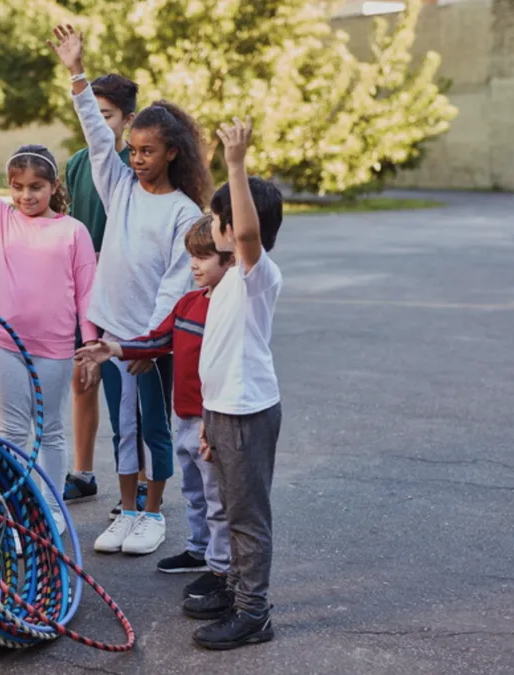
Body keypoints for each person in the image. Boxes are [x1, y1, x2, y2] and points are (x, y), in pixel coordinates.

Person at [50, 24, 212, 556]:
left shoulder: (184, 212)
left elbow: (174, 283)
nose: (136, 158)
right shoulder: (118, 186)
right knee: (121, 428)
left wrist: (148, 342)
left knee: (152, 428)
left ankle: (153, 512)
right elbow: (99, 137)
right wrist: (76, 73)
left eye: (147, 151)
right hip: (112, 334)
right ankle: (125, 508)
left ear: (171, 154)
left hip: (150, 341)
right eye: (134, 150)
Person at [0, 75, 98, 536]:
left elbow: (87, 291)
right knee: (11, 435)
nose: (26, 195)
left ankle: (52, 511)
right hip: (5, 344)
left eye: (36, 187)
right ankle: (16, 512)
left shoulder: (72, 231)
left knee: (49, 430)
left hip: (53, 347)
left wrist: (90, 345)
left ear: (54, 186)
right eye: (17, 186)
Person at [76, 216, 233, 585]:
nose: (194, 265)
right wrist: (113, 348)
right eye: (192, 256)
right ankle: (199, 550)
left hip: (212, 421)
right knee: (195, 492)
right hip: (187, 420)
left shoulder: (231, 310)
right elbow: (156, 342)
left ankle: (222, 568)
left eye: (205, 257)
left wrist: (214, 421)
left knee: (217, 499)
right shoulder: (188, 304)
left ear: (230, 260)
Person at [191, 118, 285, 650]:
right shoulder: (228, 281)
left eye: (217, 217)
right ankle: (236, 588)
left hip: (249, 414)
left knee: (248, 518)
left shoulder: (257, 275)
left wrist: (235, 163)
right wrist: (208, 422)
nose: (213, 224)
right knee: (229, 508)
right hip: (226, 414)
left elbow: (247, 234)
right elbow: (217, 360)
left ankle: (254, 613)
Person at [63, 73, 141, 508]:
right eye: (90, 112)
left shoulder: (136, 165)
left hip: (122, 292)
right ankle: (84, 472)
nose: (94, 120)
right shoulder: (77, 163)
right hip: (83, 293)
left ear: (127, 119)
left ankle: (140, 478)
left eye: (105, 115)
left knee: (127, 391)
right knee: (82, 379)